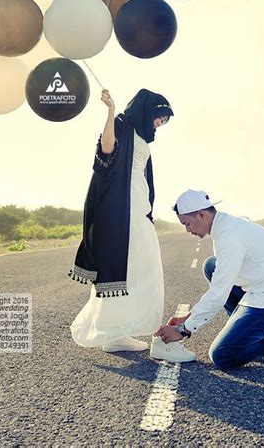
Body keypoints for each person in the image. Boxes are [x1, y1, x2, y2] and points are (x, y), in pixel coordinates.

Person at [152, 189, 264, 369]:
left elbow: (218, 293)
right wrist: (188, 317)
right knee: (212, 266)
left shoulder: (228, 235)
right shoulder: (226, 225)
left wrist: (183, 330)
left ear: (201, 214)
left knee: (223, 355)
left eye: (188, 223)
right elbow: (222, 281)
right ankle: (245, 336)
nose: (187, 230)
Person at [69, 87, 173, 353]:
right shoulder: (122, 125)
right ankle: (112, 335)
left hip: (139, 211)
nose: (160, 123)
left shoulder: (141, 137)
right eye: (159, 117)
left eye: (164, 121)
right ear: (147, 110)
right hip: (121, 212)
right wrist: (111, 112)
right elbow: (106, 150)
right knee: (124, 270)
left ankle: (119, 331)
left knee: (142, 270)